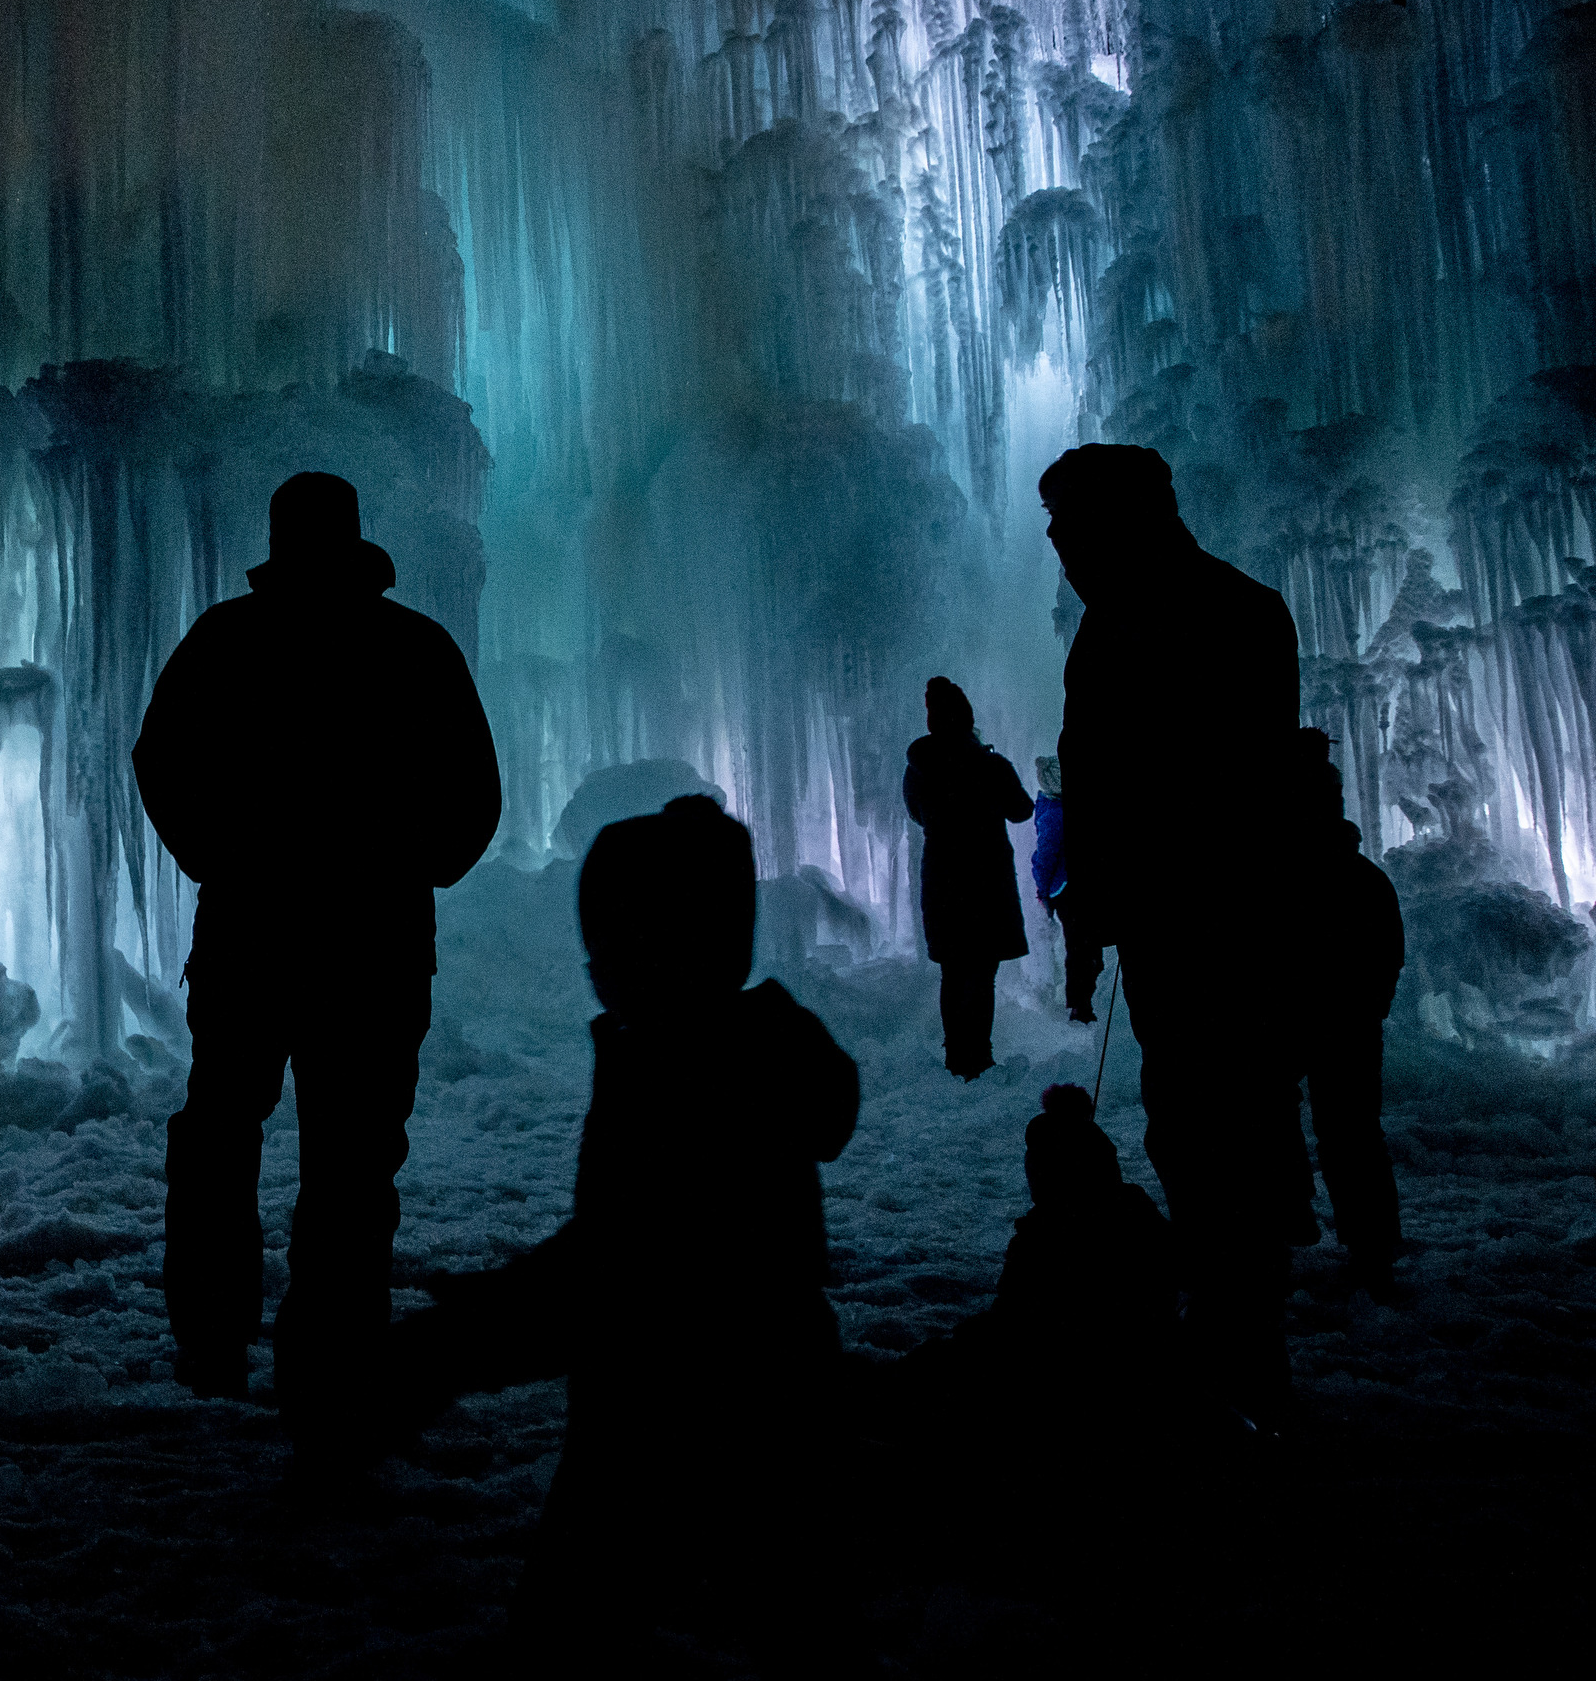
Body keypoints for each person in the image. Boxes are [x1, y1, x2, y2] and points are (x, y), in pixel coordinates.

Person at [417, 798, 860, 1659]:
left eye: (613, 947)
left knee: (577, 1615)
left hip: (653, 1406)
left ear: (669, 950)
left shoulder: (675, 1075)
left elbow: (615, 1262)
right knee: (794, 1610)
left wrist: (465, 1334)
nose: (596, 969)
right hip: (780, 1386)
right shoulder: (749, 1047)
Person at [132, 472, 500, 1440]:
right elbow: (474, 787)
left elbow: (159, 755)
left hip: (253, 928)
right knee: (351, 1152)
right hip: (374, 938)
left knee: (224, 1133)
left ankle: (214, 1335)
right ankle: (331, 1352)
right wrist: (421, 864)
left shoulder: (229, 637)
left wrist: (217, 853)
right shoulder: (412, 644)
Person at [1040, 442, 1300, 1425]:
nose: (1061, 549)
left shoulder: (1148, 629)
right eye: (1057, 532)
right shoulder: (1221, 611)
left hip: (1211, 925)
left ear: (1128, 519)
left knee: (1214, 1122)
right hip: (1212, 923)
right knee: (1214, 1122)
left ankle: (1240, 1341)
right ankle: (1239, 1326)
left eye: (1072, 528)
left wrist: (1102, 901)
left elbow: (1145, 792)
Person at [900, 1084, 1183, 1431]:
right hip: (1144, 1367)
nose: (1031, 1174)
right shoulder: (1135, 1208)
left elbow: (1014, 1322)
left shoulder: (1046, 1234)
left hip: (1064, 1381)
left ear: (1051, 1172)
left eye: (1036, 1166)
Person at [1282, 728, 1406, 1294]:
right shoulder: (1366, 880)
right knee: (1352, 1133)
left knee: (1275, 1121)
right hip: (1349, 1023)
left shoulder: (1279, 883)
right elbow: (1387, 954)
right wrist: (1370, 1007)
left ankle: (1283, 1226)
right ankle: (1370, 1244)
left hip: (1293, 1019)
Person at [902, 677, 1036, 1078]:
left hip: (942, 878)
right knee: (981, 970)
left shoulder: (918, 770)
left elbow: (916, 814)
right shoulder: (989, 765)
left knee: (954, 970)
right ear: (967, 721)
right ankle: (978, 1054)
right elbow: (1022, 809)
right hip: (986, 879)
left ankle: (956, 1052)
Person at [1032, 753, 1103, 1023]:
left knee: (1083, 944)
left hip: (1070, 889)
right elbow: (1045, 858)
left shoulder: (1055, 809)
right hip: (1067, 891)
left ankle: (1087, 994)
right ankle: (1080, 1005)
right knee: (1080, 946)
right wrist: (1043, 891)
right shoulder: (1055, 815)